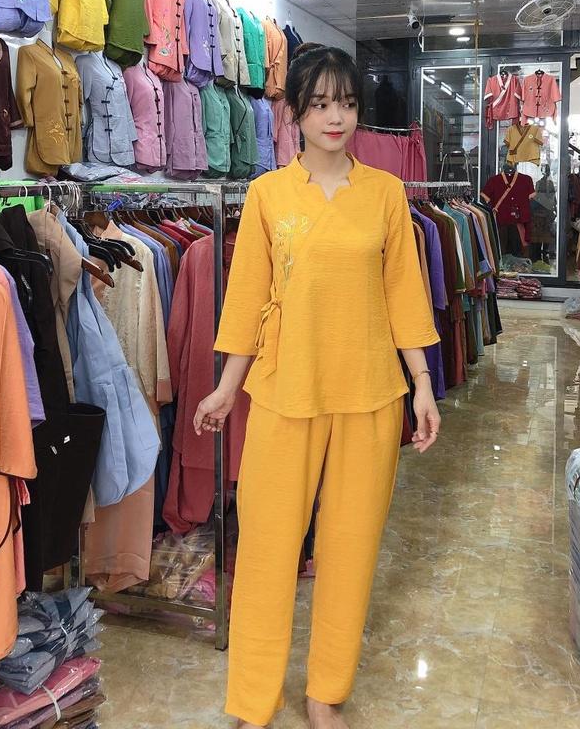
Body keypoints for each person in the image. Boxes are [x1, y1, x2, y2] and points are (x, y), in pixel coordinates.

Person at [193, 44, 442, 729]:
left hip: (370, 392)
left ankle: (325, 691)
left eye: (349, 103)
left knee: (350, 549)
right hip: (285, 391)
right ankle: (254, 699)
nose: (337, 117)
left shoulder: (385, 194)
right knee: (267, 550)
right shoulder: (268, 194)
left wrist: (422, 383)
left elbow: (404, 295)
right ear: (296, 111)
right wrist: (226, 388)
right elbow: (246, 300)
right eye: (323, 103)